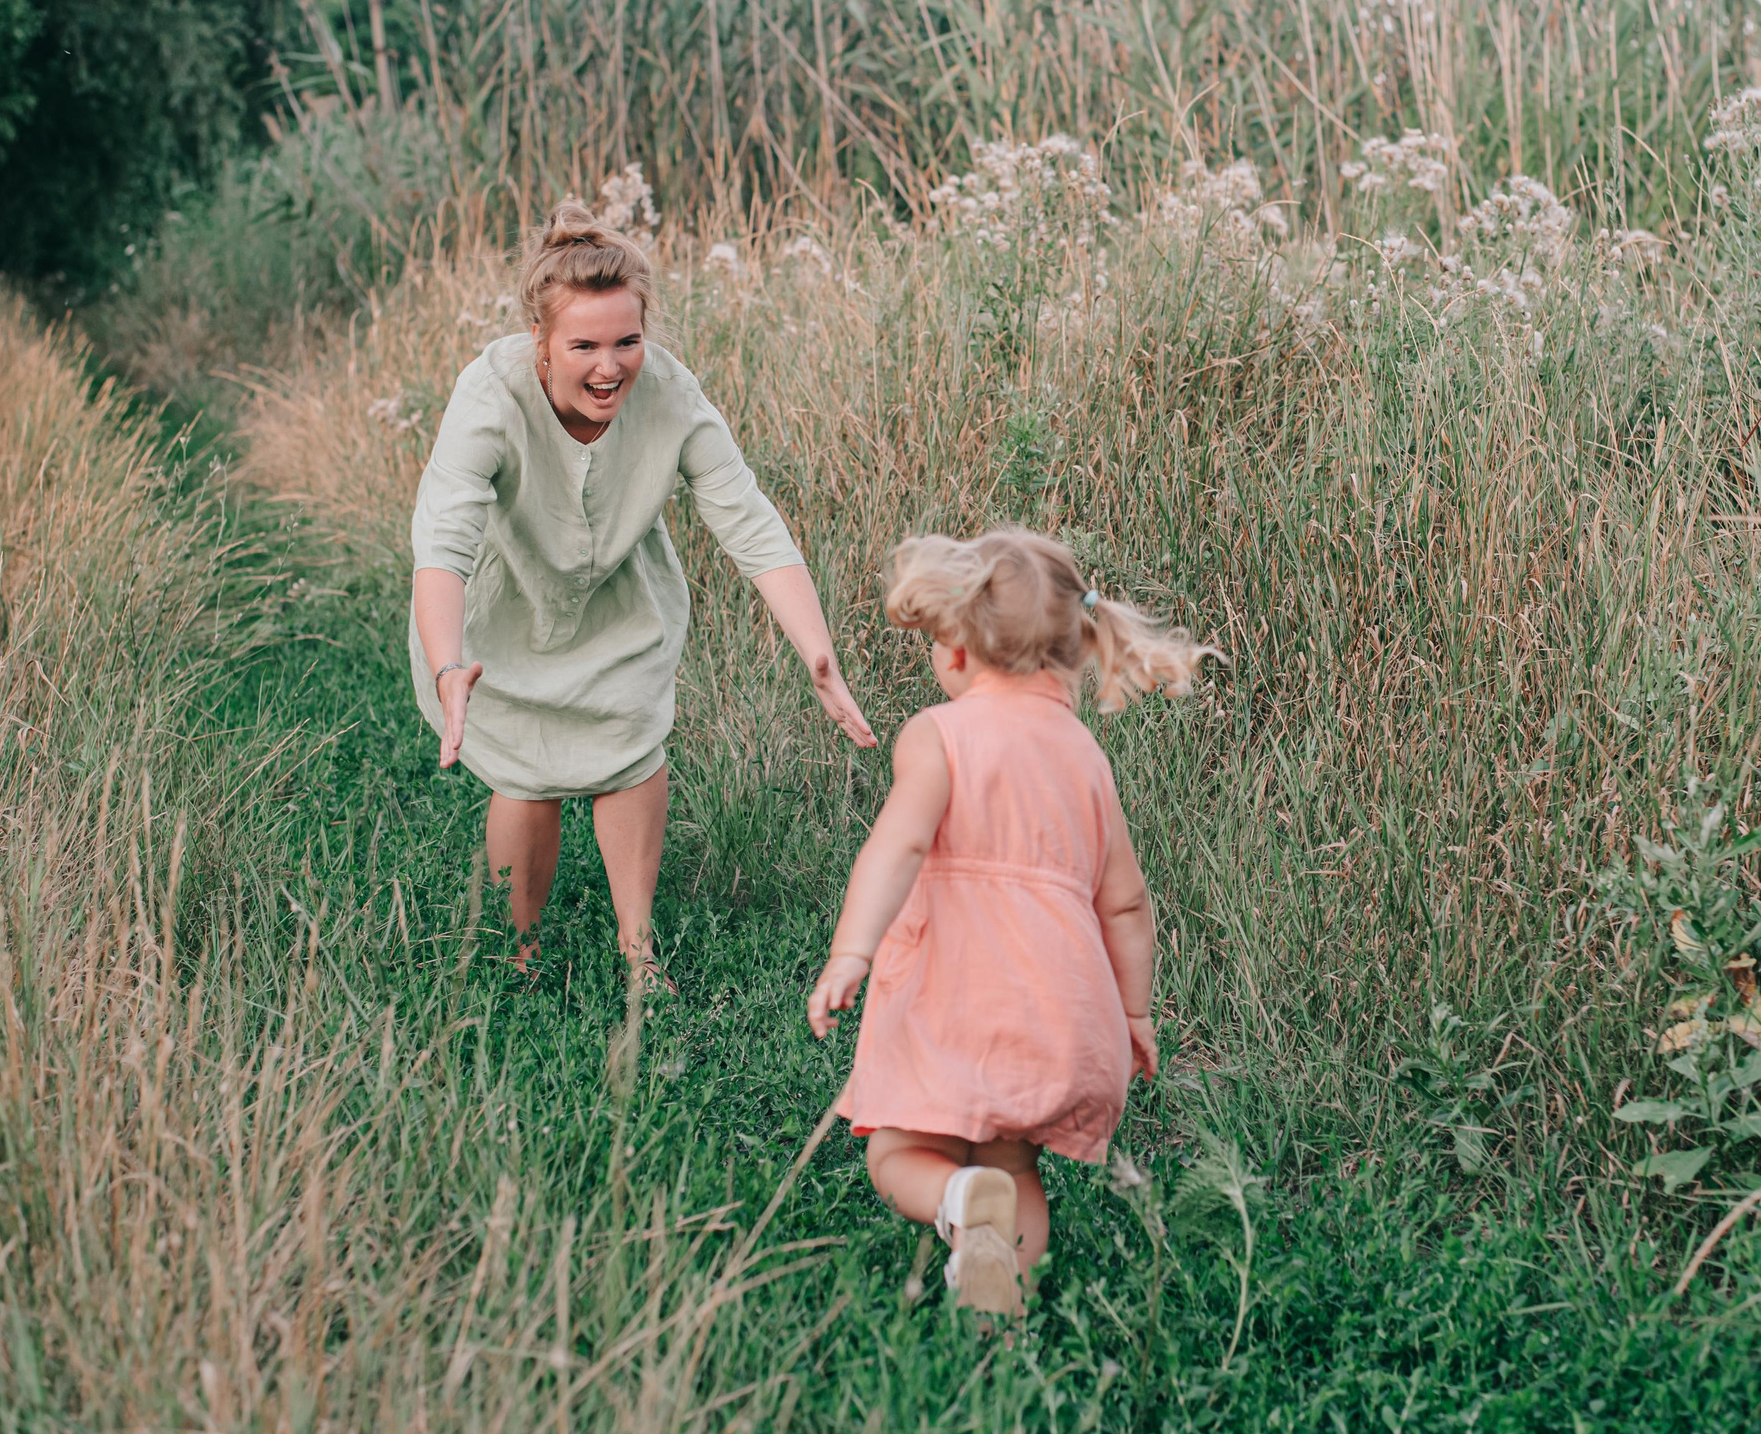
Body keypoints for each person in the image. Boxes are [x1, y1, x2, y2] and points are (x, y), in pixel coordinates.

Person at [411, 200, 876, 982]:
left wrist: (818, 653)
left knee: (630, 750)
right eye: (584, 345)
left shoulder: (670, 392)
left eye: (627, 341)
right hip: (508, 605)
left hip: (625, 598)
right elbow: (445, 539)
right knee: (527, 772)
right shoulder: (489, 394)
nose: (609, 366)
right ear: (541, 343)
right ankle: (519, 957)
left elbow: (750, 523)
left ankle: (638, 951)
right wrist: (446, 660)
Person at [805, 528, 1216, 1315]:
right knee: (1016, 1167)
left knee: (897, 1153)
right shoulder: (1087, 758)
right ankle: (1003, 1321)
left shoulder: (940, 735)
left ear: (956, 652)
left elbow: (901, 842)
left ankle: (958, 1195)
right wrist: (1133, 1014)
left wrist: (852, 950)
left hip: (950, 996)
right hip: (1053, 1013)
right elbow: (1126, 902)